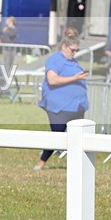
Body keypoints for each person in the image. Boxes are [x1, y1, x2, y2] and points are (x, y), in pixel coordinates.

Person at [34, 35, 89, 170]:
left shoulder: (74, 62)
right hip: (59, 106)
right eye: (72, 50)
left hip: (76, 106)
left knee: (78, 138)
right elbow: (52, 80)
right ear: (64, 47)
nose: (75, 53)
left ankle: (77, 166)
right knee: (57, 136)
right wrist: (74, 78)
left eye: (77, 50)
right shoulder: (54, 60)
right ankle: (40, 163)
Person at [0, 16, 17, 97]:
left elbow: (12, 35)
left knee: (10, 65)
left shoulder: (14, 29)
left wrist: (6, 31)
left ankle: (8, 80)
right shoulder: (6, 29)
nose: (6, 23)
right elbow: (0, 32)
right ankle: (5, 81)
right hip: (6, 49)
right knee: (6, 65)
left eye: (8, 21)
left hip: (11, 50)